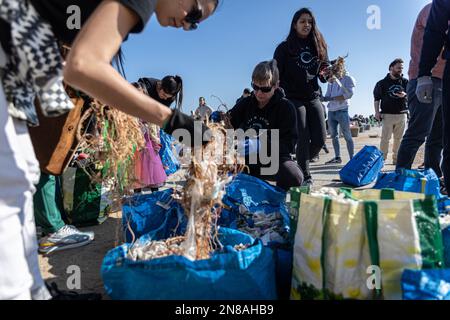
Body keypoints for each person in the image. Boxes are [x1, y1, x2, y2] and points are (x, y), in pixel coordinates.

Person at [0, 0, 219, 300]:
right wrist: (172, 120)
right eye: (194, 14)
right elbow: (84, 65)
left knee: (21, 173)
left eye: (195, 24)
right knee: (10, 179)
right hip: (10, 37)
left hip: (18, 45)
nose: (188, 25)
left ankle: (34, 290)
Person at [274, 8, 330, 187]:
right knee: (303, 135)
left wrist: (330, 72)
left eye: (310, 22)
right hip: (292, 97)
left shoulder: (319, 46)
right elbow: (276, 74)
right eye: (302, 21)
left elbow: (323, 76)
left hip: (313, 97)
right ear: (294, 24)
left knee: (320, 138)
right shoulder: (284, 47)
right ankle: (305, 174)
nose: (307, 25)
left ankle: (300, 162)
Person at [228, 60, 303, 191]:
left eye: (265, 89)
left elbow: (289, 144)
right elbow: (228, 122)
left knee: (293, 176)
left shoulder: (286, 107)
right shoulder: (245, 103)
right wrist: (218, 121)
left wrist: (261, 144)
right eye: (255, 87)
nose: (259, 93)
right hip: (246, 161)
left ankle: (279, 199)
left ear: (276, 85)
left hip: (273, 159)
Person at [396, 3, 444, 184]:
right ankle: (400, 178)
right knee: (417, 133)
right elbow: (436, 38)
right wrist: (423, 77)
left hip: (443, 80)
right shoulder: (435, 8)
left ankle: (434, 177)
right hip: (426, 79)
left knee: (438, 137)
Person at [132, 76, 183, 193]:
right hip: (138, 123)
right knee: (138, 159)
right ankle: (137, 189)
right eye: (164, 95)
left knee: (153, 157)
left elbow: (160, 116)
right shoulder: (146, 85)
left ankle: (154, 189)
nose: (164, 98)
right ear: (159, 86)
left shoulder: (169, 97)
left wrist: (156, 136)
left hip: (151, 127)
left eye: (167, 97)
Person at [373, 58, 409, 165]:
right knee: (385, 139)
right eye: (398, 68)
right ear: (391, 68)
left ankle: (396, 160)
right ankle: (382, 160)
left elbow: (412, 95)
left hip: (402, 115)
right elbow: (376, 99)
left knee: (399, 139)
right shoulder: (382, 83)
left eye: (401, 68)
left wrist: (405, 95)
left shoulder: (405, 82)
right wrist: (376, 112)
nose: (400, 70)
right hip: (387, 115)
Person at [322, 60, 356, 164]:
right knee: (333, 136)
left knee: (347, 136)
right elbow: (328, 96)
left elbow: (349, 95)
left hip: (342, 111)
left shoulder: (348, 78)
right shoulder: (331, 82)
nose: (330, 73)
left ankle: (352, 159)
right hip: (331, 112)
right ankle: (337, 157)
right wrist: (322, 98)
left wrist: (331, 99)